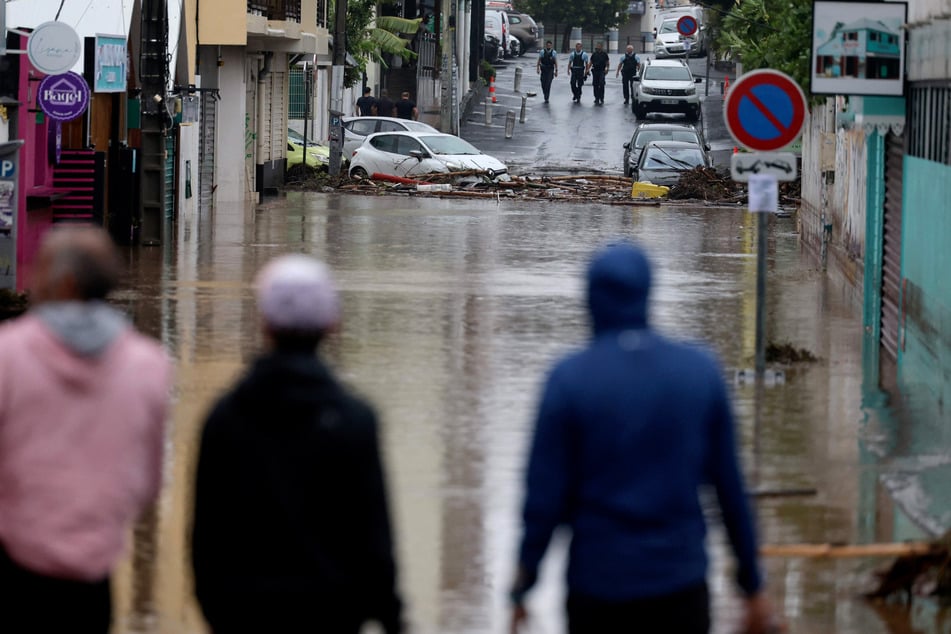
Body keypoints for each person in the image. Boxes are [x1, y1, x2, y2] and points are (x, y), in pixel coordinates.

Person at [509, 241, 778, 634]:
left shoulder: (568, 380)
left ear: (590, 298)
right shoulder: (699, 372)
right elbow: (730, 490)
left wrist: (523, 587)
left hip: (597, 591)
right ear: (648, 293)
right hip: (680, 588)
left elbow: (544, 500)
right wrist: (753, 586)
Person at [191, 254, 403, 634]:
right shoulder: (355, 420)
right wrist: (391, 616)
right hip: (331, 614)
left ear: (265, 324)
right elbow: (373, 536)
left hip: (244, 613)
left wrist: (215, 612)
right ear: (332, 324)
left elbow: (206, 534)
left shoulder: (225, 417)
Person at [0, 224, 171, 633]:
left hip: (14, 559)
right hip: (94, 571)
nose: (31, 278)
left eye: (39, 268)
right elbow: (147, 482)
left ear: (66, 282)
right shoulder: (149, 365)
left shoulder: (8, 352)